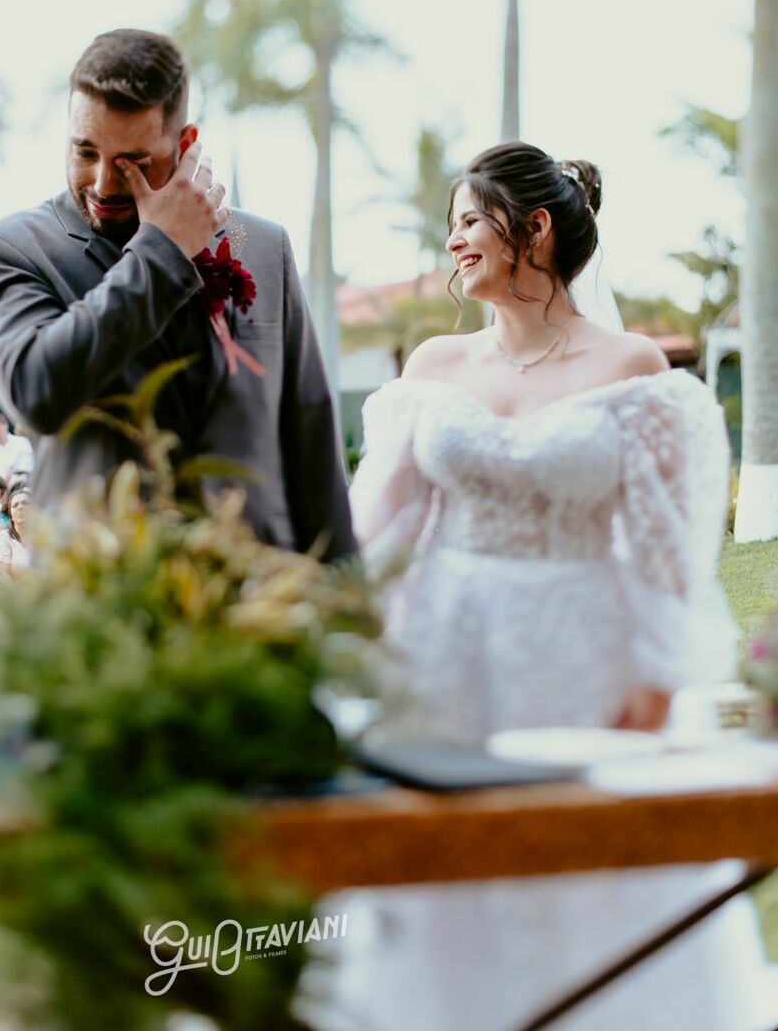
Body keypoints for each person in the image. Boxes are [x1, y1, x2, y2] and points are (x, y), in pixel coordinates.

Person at [316, 143, 764, 1031]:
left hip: (580, 652)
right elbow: (380, 526)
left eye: (468, 221)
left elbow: (668, 548)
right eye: (450, 227)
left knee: (585, 863)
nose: (452, 243)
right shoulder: (431, 373)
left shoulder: (633, 367)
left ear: (536, 229)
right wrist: (335, 627)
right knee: (443, 861)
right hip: (441, 653)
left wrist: (656, 674)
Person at [0, 28, 354, 559]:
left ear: (185, 145)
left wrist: (344, 599)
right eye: (85, 151)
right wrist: (162, 250)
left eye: (133, 162)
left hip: (261, 594)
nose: (102, 184)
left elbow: (309, 435)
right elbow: (36, 391)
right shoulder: (8, 251)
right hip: (102, 604)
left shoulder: (263, 246)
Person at [0, 489, 31, 579]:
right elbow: (2, 578)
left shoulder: (43, 536)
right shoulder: (3, 538)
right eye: (15, 505)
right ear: (11, 516)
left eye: (25, 503)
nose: (20, 507)